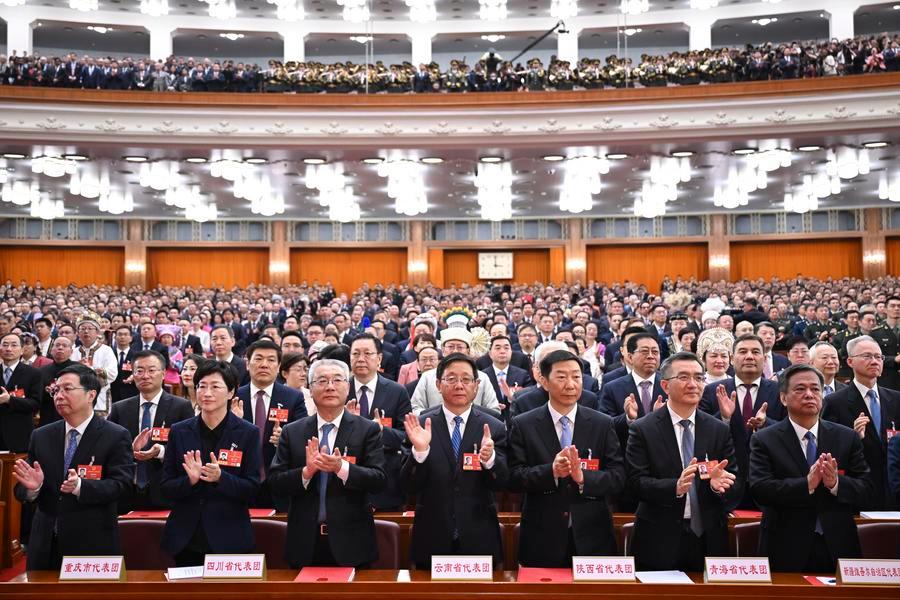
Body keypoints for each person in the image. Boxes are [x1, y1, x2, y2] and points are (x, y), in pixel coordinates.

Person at [750, 364, 872, 572]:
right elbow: (760, 489)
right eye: (800, 389)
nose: (809, 395)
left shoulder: (845, 437)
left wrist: (835, 484)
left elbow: (867, 488)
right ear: (783, 398)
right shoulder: (765, 439)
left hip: (838, 544)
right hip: (785, 546)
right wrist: (805, 484)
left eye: (815, 389)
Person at [509, 349, 624, 567]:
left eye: (576, 377)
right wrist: (550, 472)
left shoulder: (602, 423)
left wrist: (584, 479)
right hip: (541, 538)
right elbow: (513, 477)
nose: (570, 384)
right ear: (544, 381)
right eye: (561, 377)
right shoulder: (524, 424)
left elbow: (618, 477)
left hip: (593, 537)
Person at [627, 352, 740, 572]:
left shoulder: (718, 429)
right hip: (659, 537)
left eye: (699, 378)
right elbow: (634, 483)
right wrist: (675, 488)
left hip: (708, 538)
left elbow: (736, 483)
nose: (693, 384)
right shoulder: (644, 428)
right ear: (665, 386)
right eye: (684, 377)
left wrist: (720, 487)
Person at [13, 364, 133, 570]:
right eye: (56, 390)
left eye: (67, 389)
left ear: (91, 395)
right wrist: (33, 489)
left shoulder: (115, 435)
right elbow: (22, 489)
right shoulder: (41, 435)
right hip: (45, 544)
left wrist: (81, 487)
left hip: (92, 544)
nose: (59, 395)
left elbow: (121, 486)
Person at [269, 358, 386, 568]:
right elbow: (275, 483)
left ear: (348, 387)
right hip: (304, 541)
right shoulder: (292, 432)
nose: (330, 386)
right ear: (310, 389)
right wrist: (306, 472)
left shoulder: (367, 430)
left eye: (337, 380)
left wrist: (341, 468)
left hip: (353, 542)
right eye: (322, 381)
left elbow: (379, 480)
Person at [401, 353, 507, 569]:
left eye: (466, 379)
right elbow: (407, 484)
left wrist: (490, 460)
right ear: (438, 384)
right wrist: (420, 453)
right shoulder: (421, 425)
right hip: (431, 537)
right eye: (451, 379)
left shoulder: (493, 426)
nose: (459, 385)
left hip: (479, 536)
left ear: (476, 385)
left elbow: (504, 482)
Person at [160, 361, 261, 567]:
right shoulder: (179, 431)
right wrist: (190, 481)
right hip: (186, 538)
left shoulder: (248, 432)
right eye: (202, 386)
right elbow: (165, 486)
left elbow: (253, 488)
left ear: (231, 392)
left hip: (230, 537)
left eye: (215, 386)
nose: (207, 393)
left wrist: (222, 478)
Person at [699, 334, 785, 508]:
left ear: (764, 358)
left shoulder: (780, 392)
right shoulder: (712, 391)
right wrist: (724, 418)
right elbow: (700, 433)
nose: (749, 356)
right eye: (743, 351)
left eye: (755, 352)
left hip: (769, 482)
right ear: (732, 359)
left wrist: (766, 423)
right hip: (726, 483)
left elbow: (791, 431)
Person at [108, 350, 194, 512]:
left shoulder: (181, 407)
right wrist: (130, 450)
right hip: (127, 492)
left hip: (165, 491)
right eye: (139, 371)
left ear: (163, 374)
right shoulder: (120, 408)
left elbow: (189, 447)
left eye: (151, 370)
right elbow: (109, 449)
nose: (145, 376)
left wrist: (160, 451)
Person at [822, 336, 900, 510]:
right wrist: (853, 437)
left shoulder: (895, 399)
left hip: (893, 492)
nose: (874, 361)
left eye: (878, 357)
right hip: (857, 491)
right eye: (867, 356)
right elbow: (827, 449)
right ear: (850, 361)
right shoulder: (835, 402)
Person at [232, 339, 306, 509]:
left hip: (279, 483)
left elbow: (305, 438)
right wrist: (235, 424)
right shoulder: (233, 397)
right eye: (258, 359)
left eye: (271, 360)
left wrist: (287, 439)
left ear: (279, 366)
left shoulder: (293, 398)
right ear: (247, 364)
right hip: (240, 482)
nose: (264, 364)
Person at [345, 333, 412, 511]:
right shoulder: (339, 390)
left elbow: (407, 436)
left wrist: (381, 431)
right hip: (346, 481)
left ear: (379, 359)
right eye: (355, 354)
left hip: (386, 482)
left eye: (367, 353)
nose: (361, 359)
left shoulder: (397, 391)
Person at [598, 332, 667, 452]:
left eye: (655, 352)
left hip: (664, 453)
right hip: (627, 454)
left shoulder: (669, 385)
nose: (651, 356)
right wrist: (628, 418)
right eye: (644, 351)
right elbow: (604, 426)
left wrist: (662, 416)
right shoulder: (612, 388)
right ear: (629, 357)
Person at [410, 328, 500, 415]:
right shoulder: (427, 377)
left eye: (460, 347)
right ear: (443, 350)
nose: (455, 351)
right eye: (451, 346)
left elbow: (494, 410)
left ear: (468, 350)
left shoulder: (482, 377)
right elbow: (415, 408)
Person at [0, 332, 42, 452]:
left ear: (22, 350)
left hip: (19, 434)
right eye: (5, 345)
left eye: (14, 345)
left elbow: (35, 403)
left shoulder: (33, 373)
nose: (9, 349)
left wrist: (9, 400)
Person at [74, 312, 117, 416]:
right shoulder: (74, 352)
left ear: (97, 332)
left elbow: (112, 373)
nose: (86, 331)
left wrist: (91, 369)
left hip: (100, 398)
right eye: (82, 329)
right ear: (78, 333)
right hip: (77, 398)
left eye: (90, 328)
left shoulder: (106, 350)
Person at [37, 336, 78, 425]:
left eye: (64, 345)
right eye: (57, 345)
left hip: (73, 413)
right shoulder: (41, 371)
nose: (60, 348)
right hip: (48, 414)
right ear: (51, 350)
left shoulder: (79, 369)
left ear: (71, 351)